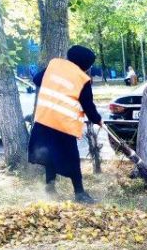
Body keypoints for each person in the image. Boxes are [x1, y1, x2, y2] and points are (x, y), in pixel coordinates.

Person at [28, 45, 102, 204]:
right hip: (63, 126)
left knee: (48, 154)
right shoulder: (82, 79)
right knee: (71, 159)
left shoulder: (54, 65)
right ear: (85, 64)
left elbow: (36, 80)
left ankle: (50, 187)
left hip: (44, 120)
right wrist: (98, 120)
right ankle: (80, 193)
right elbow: (88, 106)